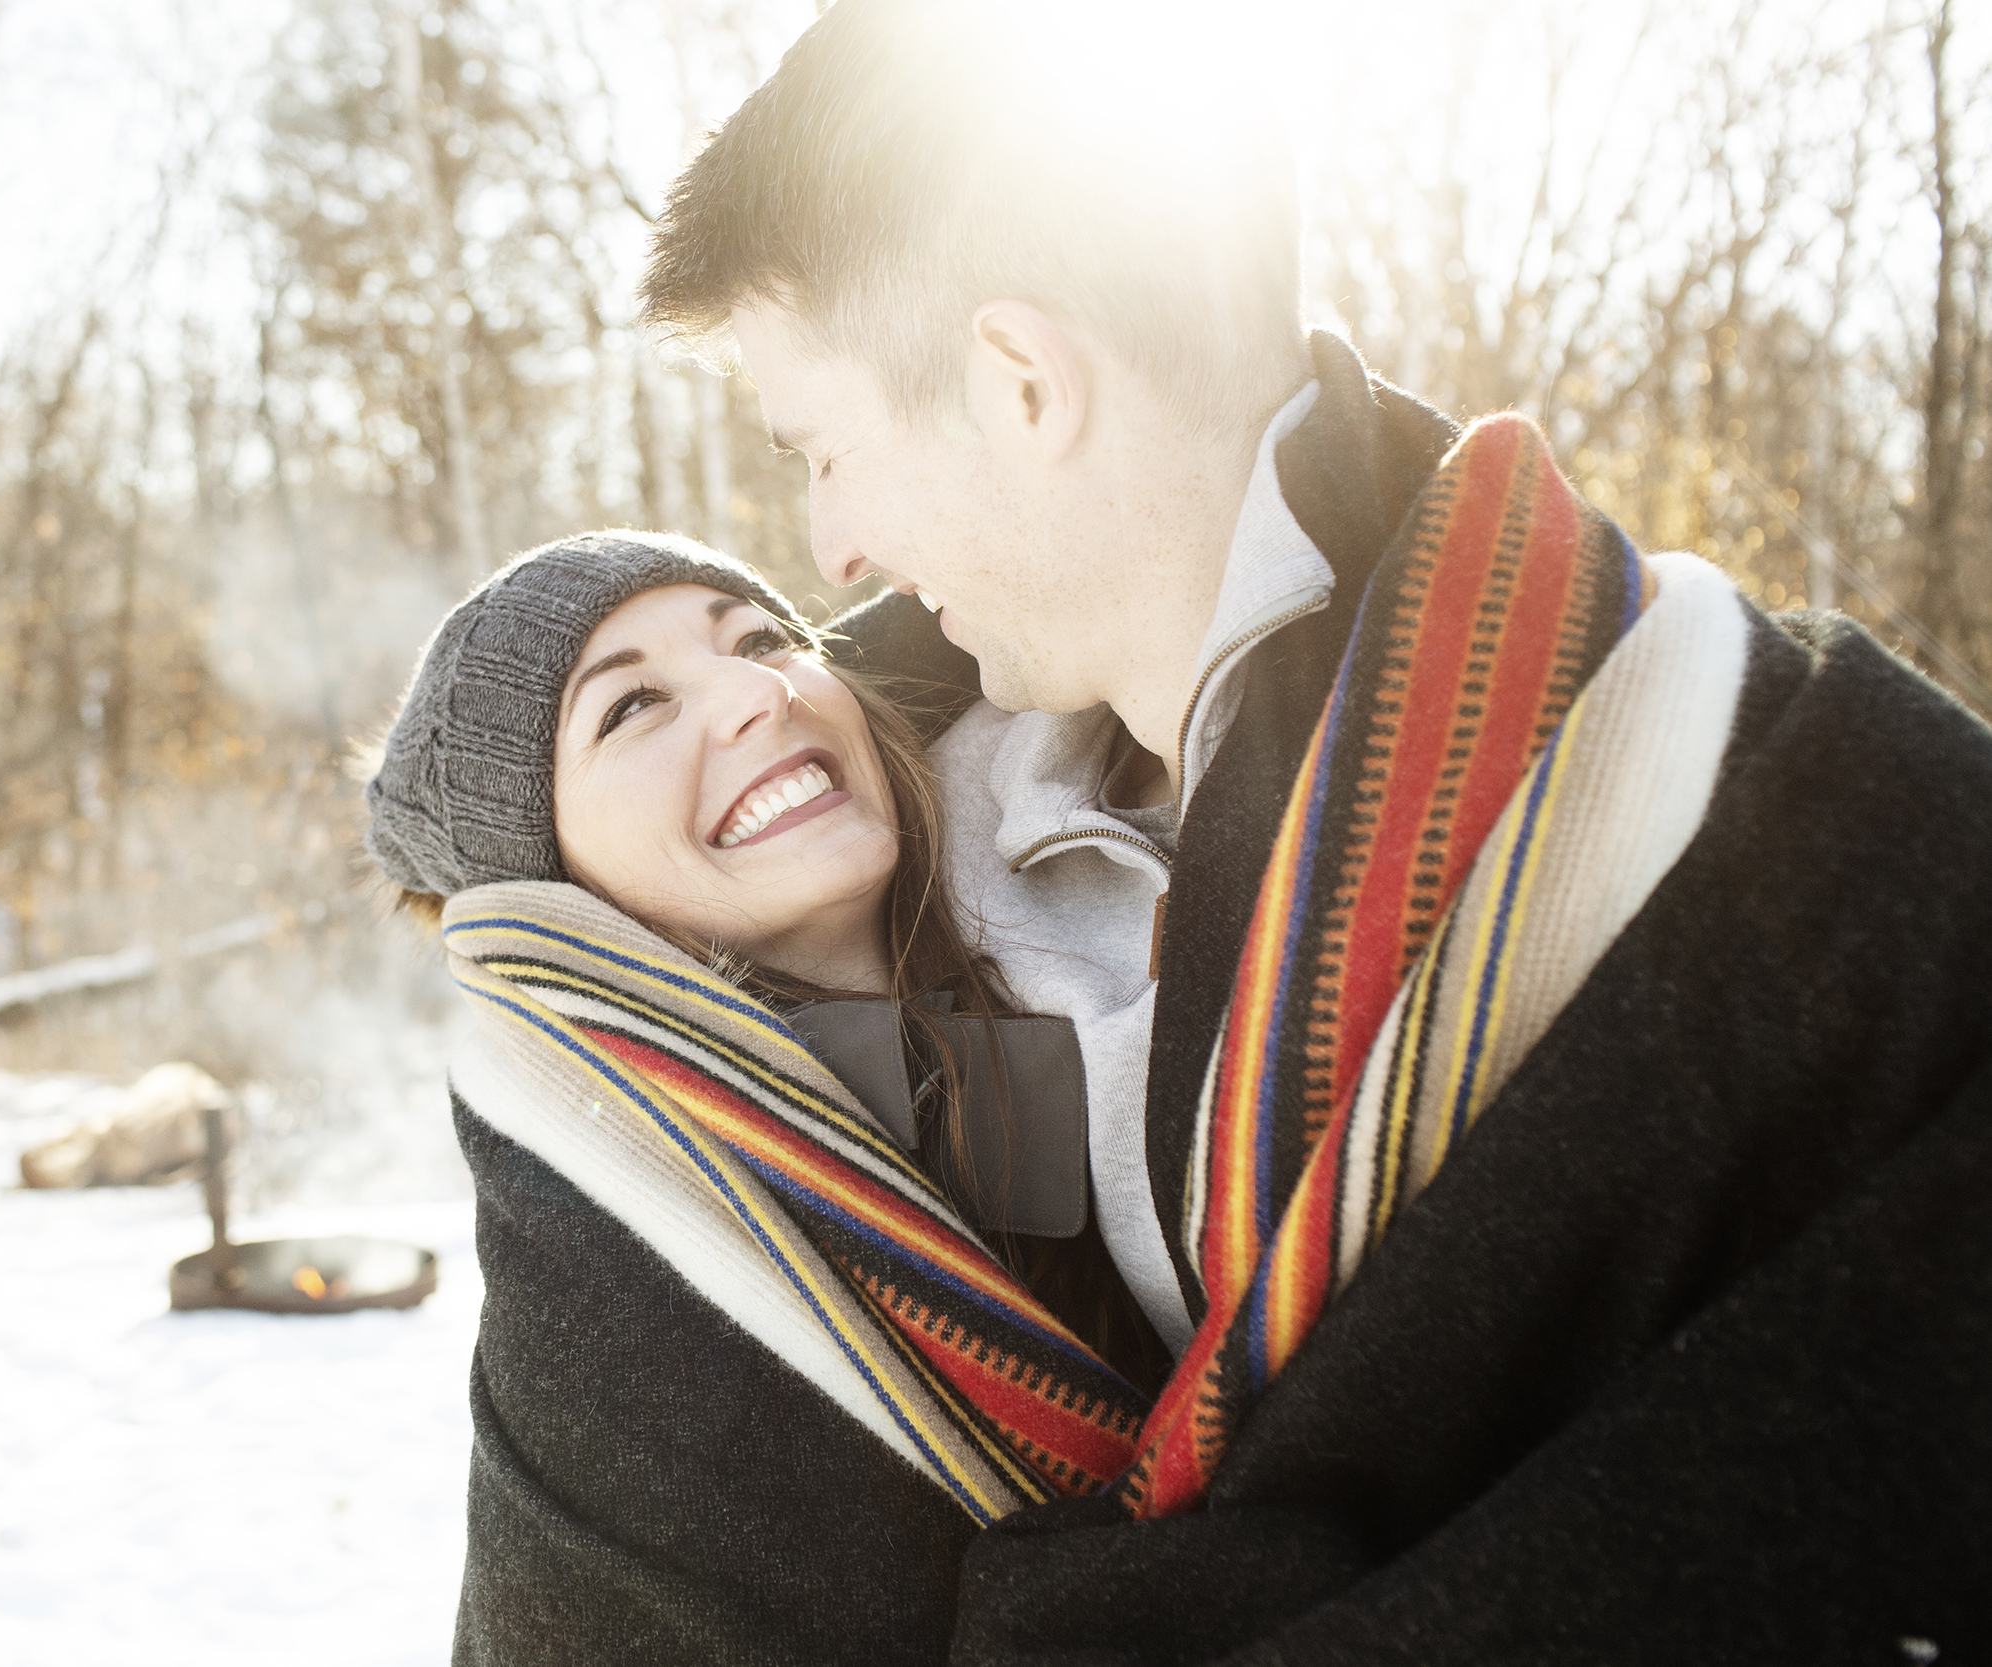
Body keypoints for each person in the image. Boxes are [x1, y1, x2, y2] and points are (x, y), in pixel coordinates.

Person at [635, 1, 1992, 1661]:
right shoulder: (896, 851)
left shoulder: (1783, 808)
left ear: (1020, 380)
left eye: (826, 450)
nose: (829, 547)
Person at [366, 531, 1166, 1666]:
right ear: (549, 892)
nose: (755, 691)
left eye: (766, 638)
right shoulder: (617, 1277)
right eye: (631, 705)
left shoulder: (1069, 959)